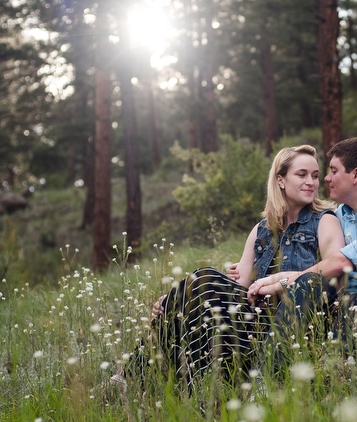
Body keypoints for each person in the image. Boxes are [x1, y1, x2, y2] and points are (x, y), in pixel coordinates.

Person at [146, 145, 345, 389]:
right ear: (280, 180)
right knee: (195, 287)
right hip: (249, 321)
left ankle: (178, 384)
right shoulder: (262, 228)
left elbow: (336, 264)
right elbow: (237, 285)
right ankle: (184, 384)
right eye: (302, 174)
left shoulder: (324, 220)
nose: (311, 182)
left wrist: (282, 281)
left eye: (315, 176)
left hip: (287, 326)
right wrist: (179, 298)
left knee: (202, 279)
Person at [250, 137, 357, 352]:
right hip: (340, 314)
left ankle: (343, 364)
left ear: (356, 175)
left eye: (333, 171)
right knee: (314, 282)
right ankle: (271, 375)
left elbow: (340, 262)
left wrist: (278, 281)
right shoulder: (338, 216)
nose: (326, 178)